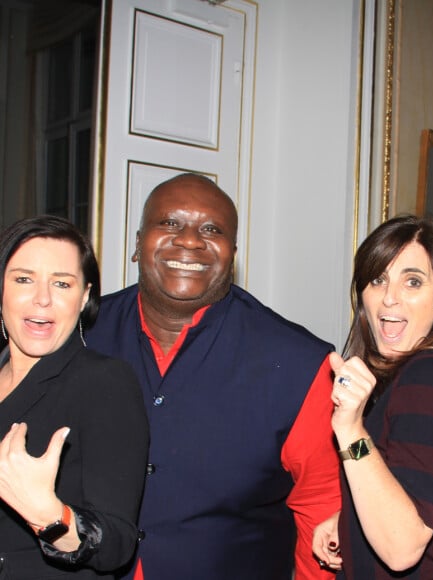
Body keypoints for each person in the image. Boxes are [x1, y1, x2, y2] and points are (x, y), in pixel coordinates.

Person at [85, 173, 341, 580]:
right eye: (169, 223)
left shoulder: (300, 364)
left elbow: (321, 507)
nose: (189, 240)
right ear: (137, 244)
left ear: (232, 253)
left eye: (211, 229)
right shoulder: (80, 336)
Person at [318, 215, 433, 579]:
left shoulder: (430, 376)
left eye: (413, 281)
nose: (390, 298)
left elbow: (401, 547)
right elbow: (413, 495)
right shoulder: (421, 373)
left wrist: (350, 430)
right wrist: (351, 519)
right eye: (378, 279)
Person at [0, 215, 149, 579]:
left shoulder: (104, 382)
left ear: (84, 297)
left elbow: (116, 544)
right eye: (23, 279)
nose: (42, 299)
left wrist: (47, 515)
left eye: (62, 284)